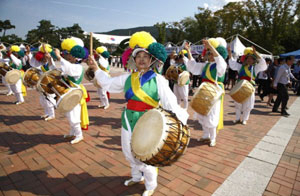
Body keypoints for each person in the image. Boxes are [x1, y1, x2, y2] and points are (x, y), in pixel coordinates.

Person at [88, 31, 188, 196]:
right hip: (128, 118)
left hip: (148, 122)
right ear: (133, 60)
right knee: (129, 151)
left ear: (151, 60)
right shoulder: (127, 78)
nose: (141, 59)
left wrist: (182, 120)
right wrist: (96, 68)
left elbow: (170, 102)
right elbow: (107, 84)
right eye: (138, 56)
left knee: (146, 154)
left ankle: (150, 184)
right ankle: (136, 176)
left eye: (145, 56)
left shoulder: (158, 80)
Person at [185, 38, 228, 146]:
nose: (211, 55)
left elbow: (220, 61)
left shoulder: (219, 66)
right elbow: (193, 67)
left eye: (212, 53)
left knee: (212, 115)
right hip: (204, 92)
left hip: (214, 93)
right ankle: (205, 135)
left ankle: (213, 138)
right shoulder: (206, 65)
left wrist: (210, 46)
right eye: (209, 53)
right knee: (202, 113)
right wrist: (189, 51)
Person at [54, 38, 89, 144]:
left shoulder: (77, 67)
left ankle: (79, 135)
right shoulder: (73, 65)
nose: (67, 56)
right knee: (70, 114)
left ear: (74, 57)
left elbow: (68, 68)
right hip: (70, 93)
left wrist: (59, 57)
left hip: (75, 94)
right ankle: (73, 132)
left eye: (68, 54)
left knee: (74, 116)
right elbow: (63, 70)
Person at [228, 46, 267, 125]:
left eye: (251, 58)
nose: (249, 59)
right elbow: (232, 64)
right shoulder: (240, 67)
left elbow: (263, 64)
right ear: (245, 59)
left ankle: (245, 119)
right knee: (238, 103)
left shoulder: (256, 68)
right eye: (247, 58)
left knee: (248, 105)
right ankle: (237, 118)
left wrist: (255, 53)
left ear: (254, 60)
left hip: (249, 88)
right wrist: (229, 53)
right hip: (240, 87)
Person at [29, 44, 57, 121]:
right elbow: (33, 63)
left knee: (49, 99)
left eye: (45, 58)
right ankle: (47, 113)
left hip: (49, 84)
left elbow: (53, 70)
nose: (43, 60)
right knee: (43, 99)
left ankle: (52, 114)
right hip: (41, 83)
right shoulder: (41, 64)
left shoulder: (50, 63)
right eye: (42, 58)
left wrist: (48, 56)